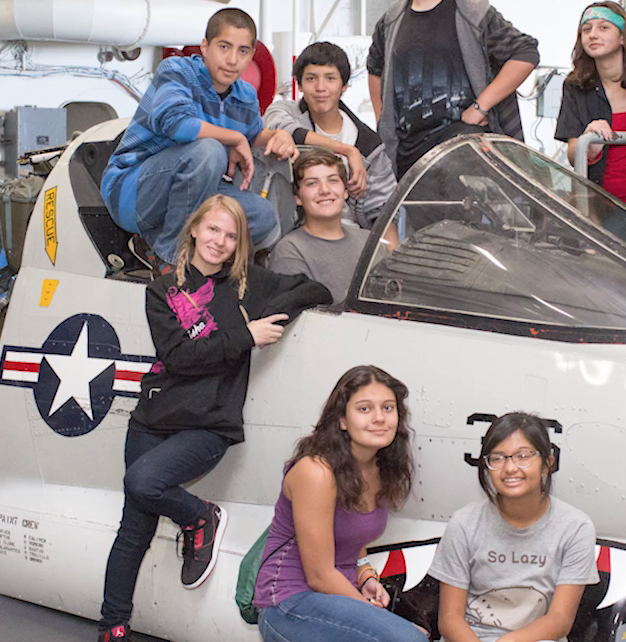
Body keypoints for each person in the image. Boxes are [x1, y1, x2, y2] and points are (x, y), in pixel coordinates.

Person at [97, 195, 331, 642]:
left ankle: (200, 516)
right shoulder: (162, 289)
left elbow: (315, 290)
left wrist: (268, 316)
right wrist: (245, 335)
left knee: (142, 482)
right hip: (153, 418)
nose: (220, 242)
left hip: (209, 424)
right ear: (194, 230)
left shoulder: (248, 285)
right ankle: (113, 626)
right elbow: (179, 357)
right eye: (213, 230)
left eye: (231, 236)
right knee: (134, 526)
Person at [101, 7, 300, 262]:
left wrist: (278, 136)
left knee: (262, 215)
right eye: (224, 47)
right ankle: (170, 258)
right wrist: (235, 138)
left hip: (194, 192)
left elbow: (252, 135)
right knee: (209, 150)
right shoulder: (177, 71)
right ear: (205, 46)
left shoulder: (245, 96)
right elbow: (178, 125)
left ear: (251, 55)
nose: (232, 60)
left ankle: (156, 245)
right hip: (132, 192)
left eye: (242, 51)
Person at [253, 365, 427, 642]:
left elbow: (351, 535)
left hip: (337, 596)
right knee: (409, 639)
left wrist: (366, 575)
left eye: (388, 408)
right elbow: (319, 576)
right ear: (342, 420)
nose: (379, 418)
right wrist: (381, 618)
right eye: (364, 409)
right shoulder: (316, 472)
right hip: (289, 603)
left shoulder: (379, 468)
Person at [367, 0, 540, 179]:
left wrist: (481, 106)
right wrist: (383, 121)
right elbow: (375, 68)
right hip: (409, 155)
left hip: (465, 150)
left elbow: (526, 53)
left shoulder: (475, 13)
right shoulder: (391, 20)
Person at [430, 412, 599, 642]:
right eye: (498, 458)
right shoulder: (464, 523)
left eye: (523, 456)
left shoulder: (575, 527)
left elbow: (560, 620)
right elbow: (450, 619)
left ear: (547, 464)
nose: (510, 468)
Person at [263, 41, 398, 228]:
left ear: (345, 85)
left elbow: (385, 212)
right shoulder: (283, 111)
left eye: (330, 78)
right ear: (299, 84)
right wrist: (347, 151)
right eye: (311, 78)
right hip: (292, 231)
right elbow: (285, 130)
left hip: (349, 233)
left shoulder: (369, 146)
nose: (320, 87)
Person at [554, 0, 626, 211]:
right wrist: (589, 146)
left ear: (623, 37)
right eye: (586, 29)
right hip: (600, 209)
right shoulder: (575, 85)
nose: (593, 35)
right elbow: (573, 155)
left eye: (603, 28)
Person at [268, 150, 370, 305]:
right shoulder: (290, 250)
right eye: (312, 183)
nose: (324, 190)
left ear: (345, 191)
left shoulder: (369, 241)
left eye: (333, 180)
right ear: (298, 197)